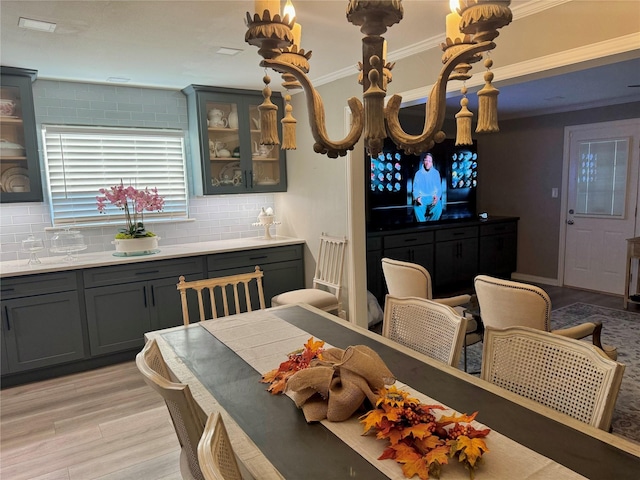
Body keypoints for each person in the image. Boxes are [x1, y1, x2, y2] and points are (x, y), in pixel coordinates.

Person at [412, 152, 442, 221]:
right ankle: (423, 227)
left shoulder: (436, 173)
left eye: (429, 161)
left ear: (432, 163)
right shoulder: (418, 174)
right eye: (426, 160)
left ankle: (430, 225)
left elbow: (439, 188)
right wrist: (417, 198)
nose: (427, 163)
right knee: (417, 209)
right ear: (423, 161)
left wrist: (437, 197)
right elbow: (415, 188)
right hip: (422, 198)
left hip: (432, 197)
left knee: (438, 208)